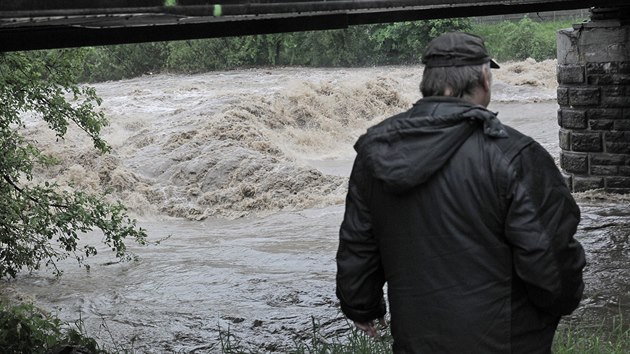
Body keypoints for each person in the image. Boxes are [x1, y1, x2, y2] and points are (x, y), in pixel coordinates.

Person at [335, 32, 586, 353]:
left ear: (428, 81)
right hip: (509, 339)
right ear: (484, 76)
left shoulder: (375, 152)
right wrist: (560, 303)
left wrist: (362, 305)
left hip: (416, 340)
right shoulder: (516, 155)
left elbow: (358, 243)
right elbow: (551, 258)